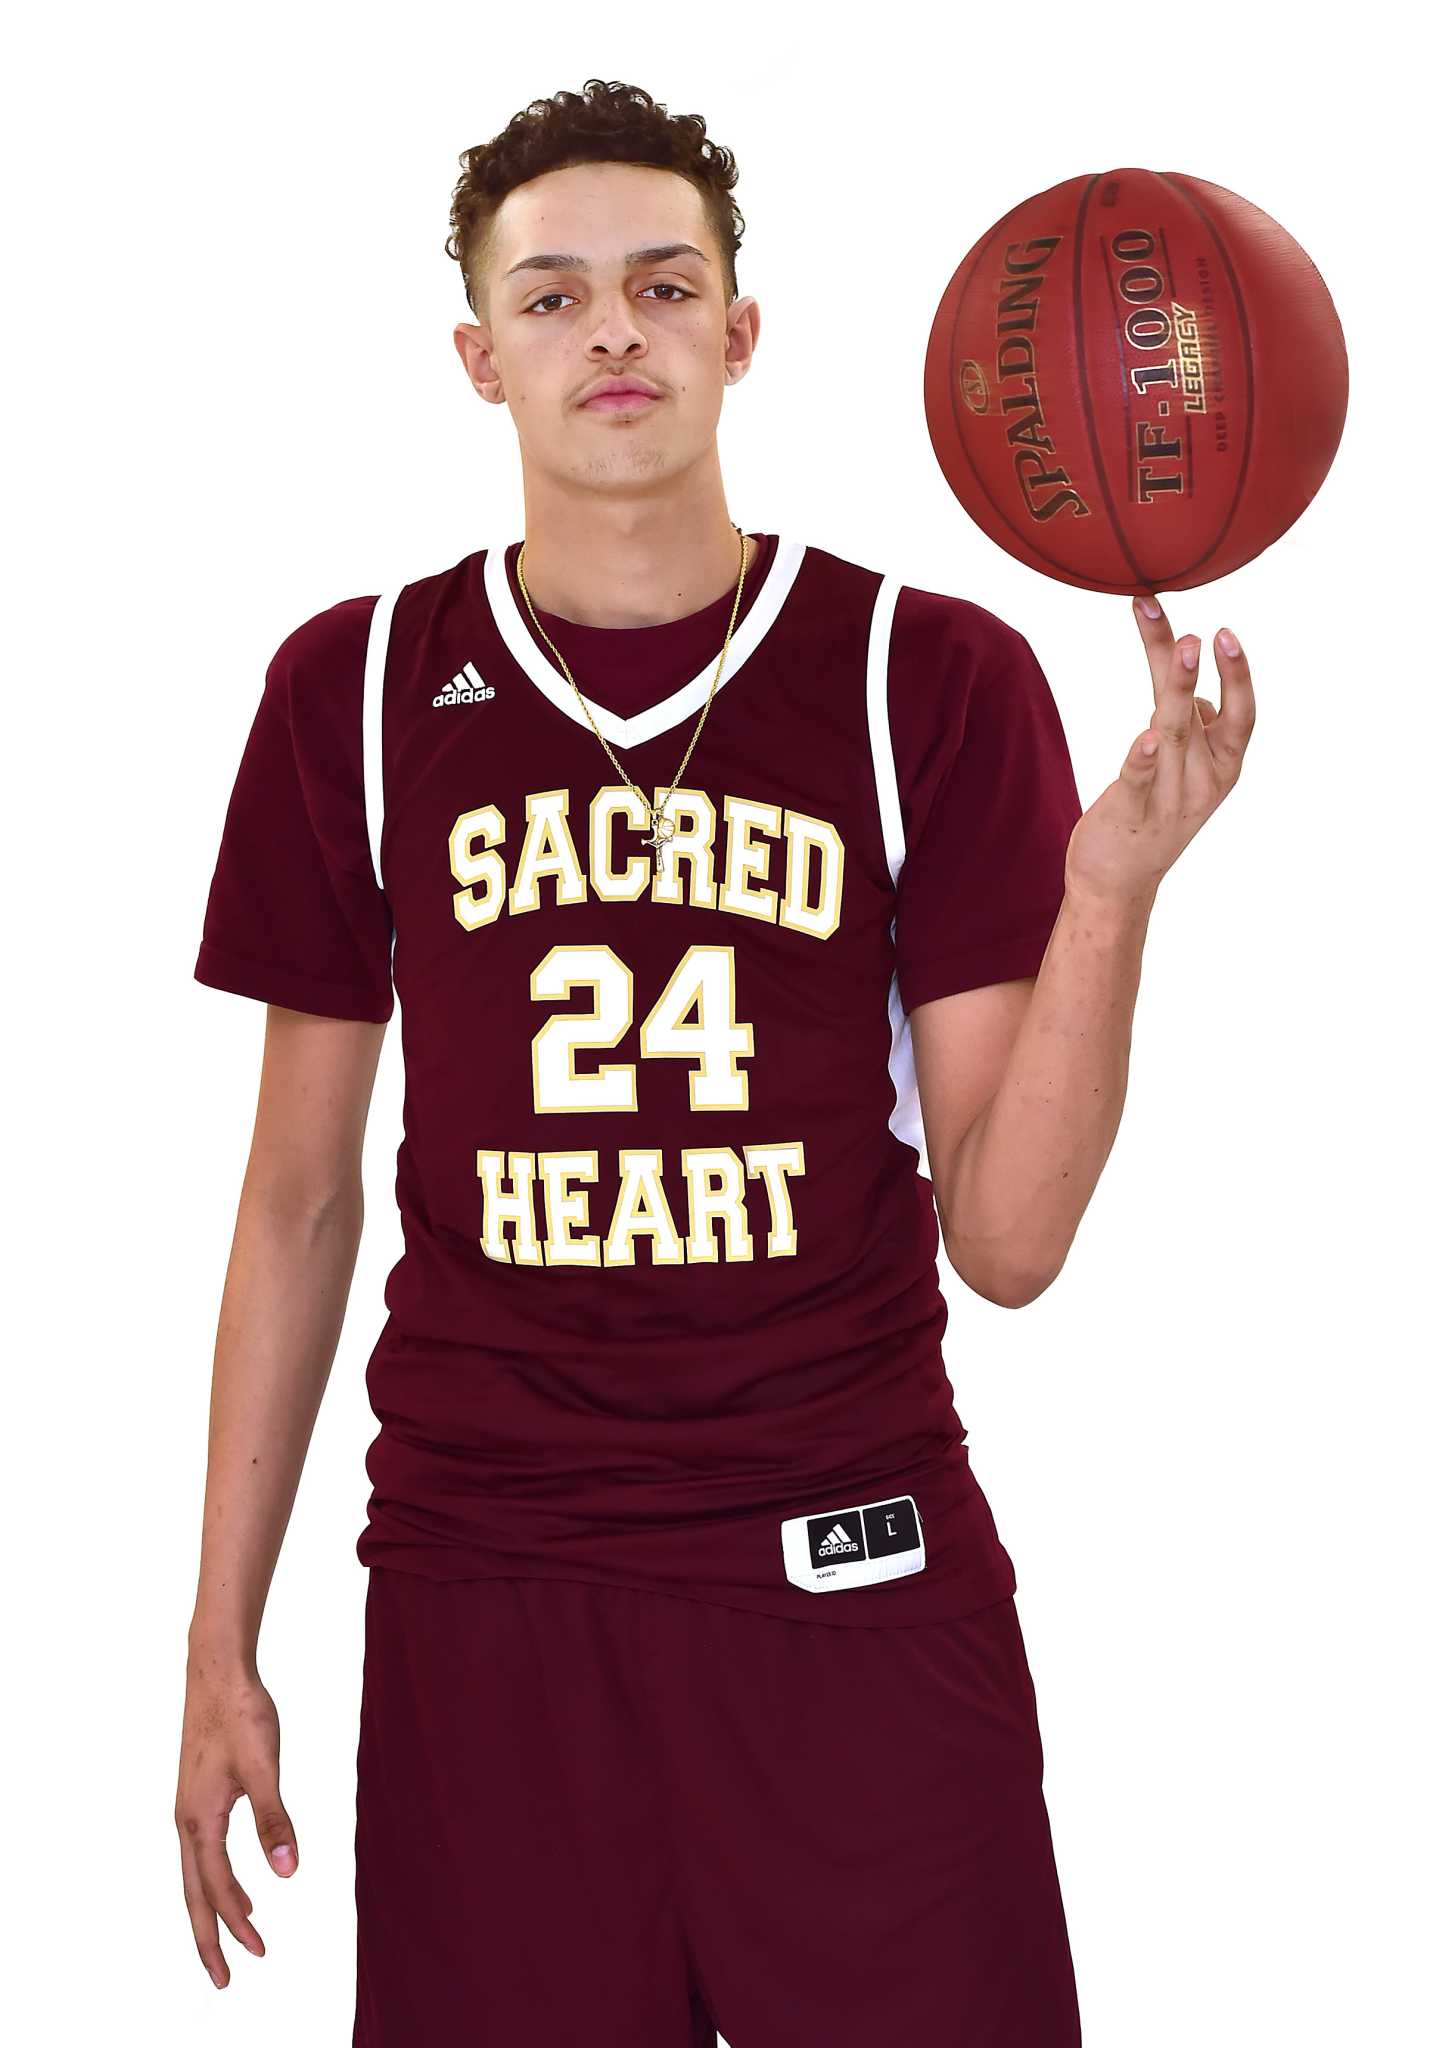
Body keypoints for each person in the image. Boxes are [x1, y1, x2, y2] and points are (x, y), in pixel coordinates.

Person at [175, 77, 1255, 2048]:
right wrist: (215, 1639)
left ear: (740, 332)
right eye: (554, 295)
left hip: (849, 1565)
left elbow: (1008, 1245)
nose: (615, 330)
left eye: (665, 287)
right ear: (478, 355)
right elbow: (298, 1200)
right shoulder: (353, 687)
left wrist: (1110, 894)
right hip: (487, 1585)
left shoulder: (924, 674)